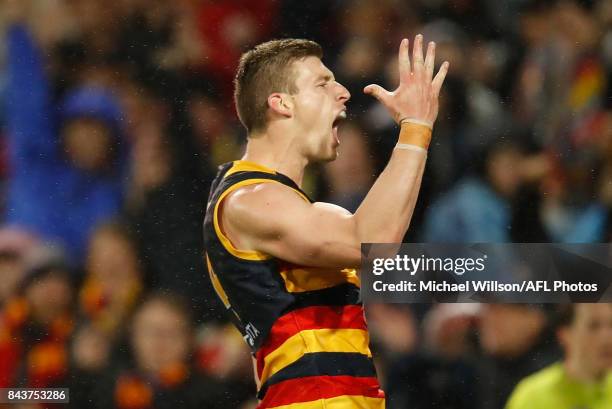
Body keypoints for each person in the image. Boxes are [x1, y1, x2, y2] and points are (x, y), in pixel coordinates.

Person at [203, 35, 448, 408]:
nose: (343, 92)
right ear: (281, 103)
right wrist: (415, 128)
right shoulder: (247, 201)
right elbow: (373, 240)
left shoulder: (303, 211)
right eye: (322, 83)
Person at [505, 304, 612, 409]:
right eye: (593, 326)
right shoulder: (533, 395)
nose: (607, 338)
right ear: (565, 335)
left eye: (611, 325)